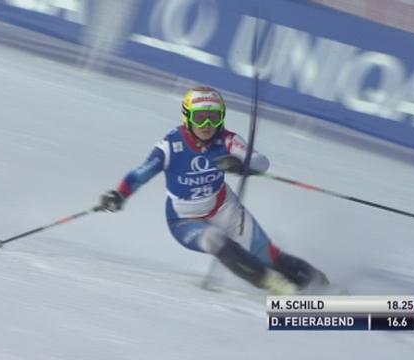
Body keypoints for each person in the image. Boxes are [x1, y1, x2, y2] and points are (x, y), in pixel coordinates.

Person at [99, 86, 328, 294]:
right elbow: (139, 175)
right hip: (184, 219)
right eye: (200, 118)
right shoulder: (170, 146)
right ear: (187, 117)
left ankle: (324, 286)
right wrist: (119, 194)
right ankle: (275, 286)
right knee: (215, 240)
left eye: (213, 118)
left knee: (268, 255)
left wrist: (243, 164)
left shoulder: (226, 140)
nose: (207, 126)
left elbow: (261, 162)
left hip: (224, 207)